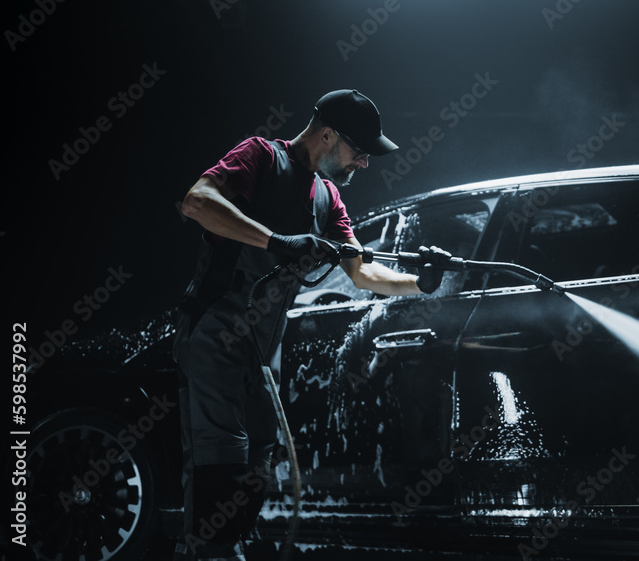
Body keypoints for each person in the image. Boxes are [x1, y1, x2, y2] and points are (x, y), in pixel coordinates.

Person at [171, 89, 448, 560]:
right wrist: (277, 240)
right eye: (359, 152)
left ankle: (222, 548)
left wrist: (420, 283)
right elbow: (196, 203)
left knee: (260, 459)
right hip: (216, 329)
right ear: (326, 135)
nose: (364, 163)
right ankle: (208, 552)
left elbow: (362, 271)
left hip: (264, 348)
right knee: (221, 457)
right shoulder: (261, 156)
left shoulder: (328, 197)